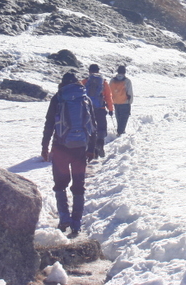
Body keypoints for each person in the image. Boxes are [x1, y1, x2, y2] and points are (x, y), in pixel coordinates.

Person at [41, 72, 97, 235]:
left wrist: (45, 147)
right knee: (79, 186)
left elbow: (49, 124)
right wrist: (91, 149)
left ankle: (64, 218)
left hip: (60, 148)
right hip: (80, 148)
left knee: (60, 185)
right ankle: (77, 223)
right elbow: (93, 125)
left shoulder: (58, 97)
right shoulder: (85, 98)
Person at [82, 64, 114, 158]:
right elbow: (108, 97)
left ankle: (91, 150)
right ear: (98, 71)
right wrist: (111, 109)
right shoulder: (103, 83)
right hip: (100, 109)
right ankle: (100, 144)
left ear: (89, 71)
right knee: (101, 128)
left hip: (88, 109)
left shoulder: (85, 81)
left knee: (90, 128)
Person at [109, 65, 134, 135]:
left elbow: (109, 91)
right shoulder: (127, 81)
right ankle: (120, 132)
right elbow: (129, 92)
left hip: (115, 102)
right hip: (124, 102)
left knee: (118, 118)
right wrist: (130, 102)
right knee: (124, 118)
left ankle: (119, 130)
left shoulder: (112, 80)